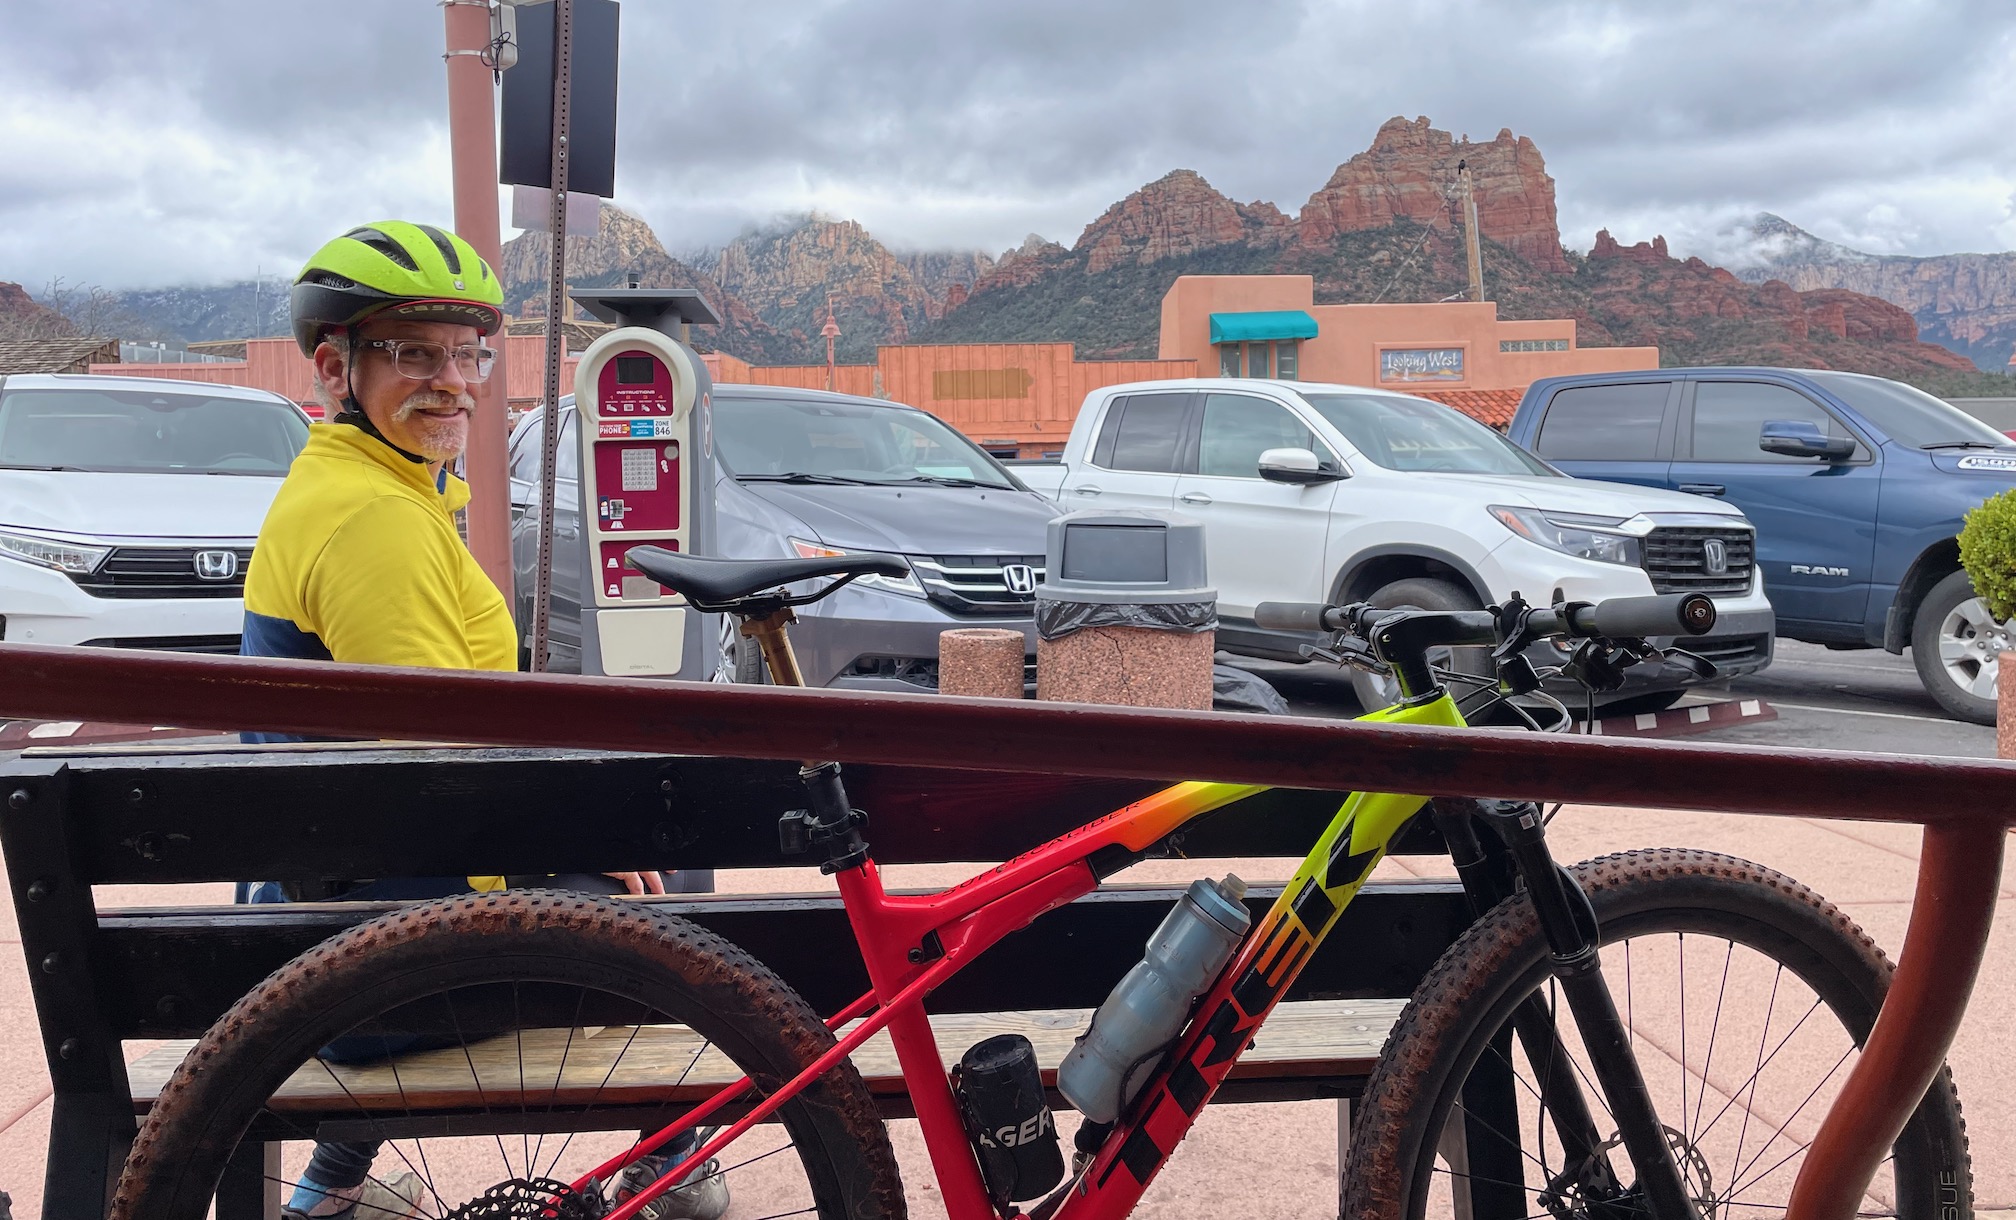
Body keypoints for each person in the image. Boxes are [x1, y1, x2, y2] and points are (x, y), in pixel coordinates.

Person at [243, 221, 724, 1220]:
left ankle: (330, 1189)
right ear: (336, 366)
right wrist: (583, 835)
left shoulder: (365, 487)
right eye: (413, 351)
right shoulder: (374, 524)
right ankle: (677, 1169)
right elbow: (445, 784)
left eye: (466, 352)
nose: (454, 380)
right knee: (686, 883)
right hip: (374, 972)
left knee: (647, 852)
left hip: (317, 915)